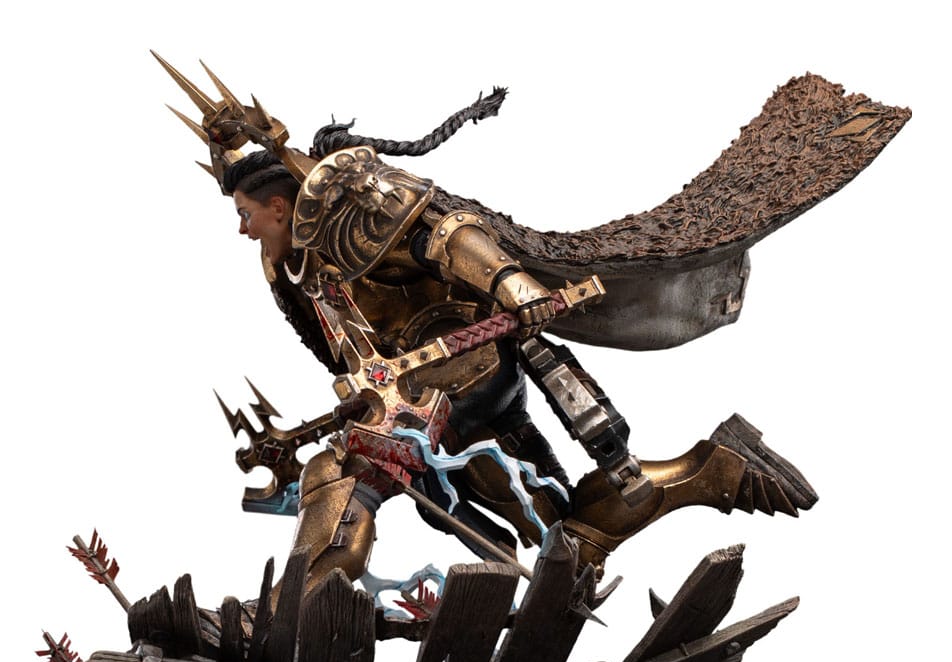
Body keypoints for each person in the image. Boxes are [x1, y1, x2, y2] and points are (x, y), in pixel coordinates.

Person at [218, 149, 815, 596]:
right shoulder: (291, 266)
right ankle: (708, 470)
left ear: (278, 206)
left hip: (458, 371)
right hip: (430, 398)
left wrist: (512, 284)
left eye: (245, 213)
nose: (242, 228)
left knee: (343, 472)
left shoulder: (349, 213)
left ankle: (279, 614)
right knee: (552, 524)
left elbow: (445, 233)